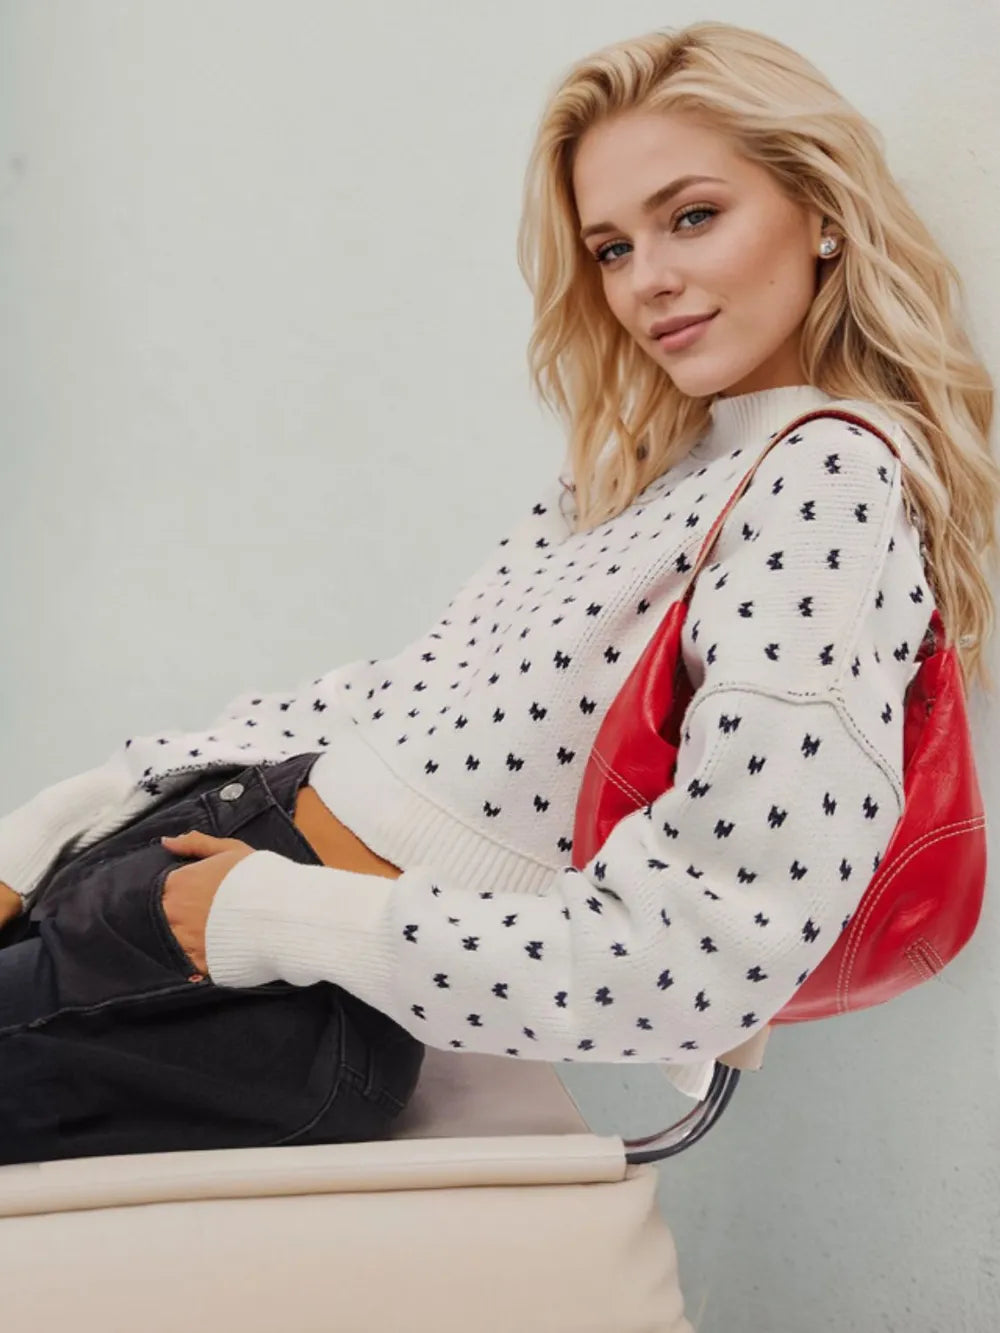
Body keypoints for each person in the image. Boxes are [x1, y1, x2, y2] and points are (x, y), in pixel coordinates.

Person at [0, 19, 996, 1165]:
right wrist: (57, 821)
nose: (647, 281)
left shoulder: (826, 483)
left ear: (822, 210)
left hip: (265, 991)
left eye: (691, 217)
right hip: (190, 870)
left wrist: (268, 916)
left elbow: (701, 955)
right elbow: (394, 702)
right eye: (611, 247)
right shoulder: (644, 466)